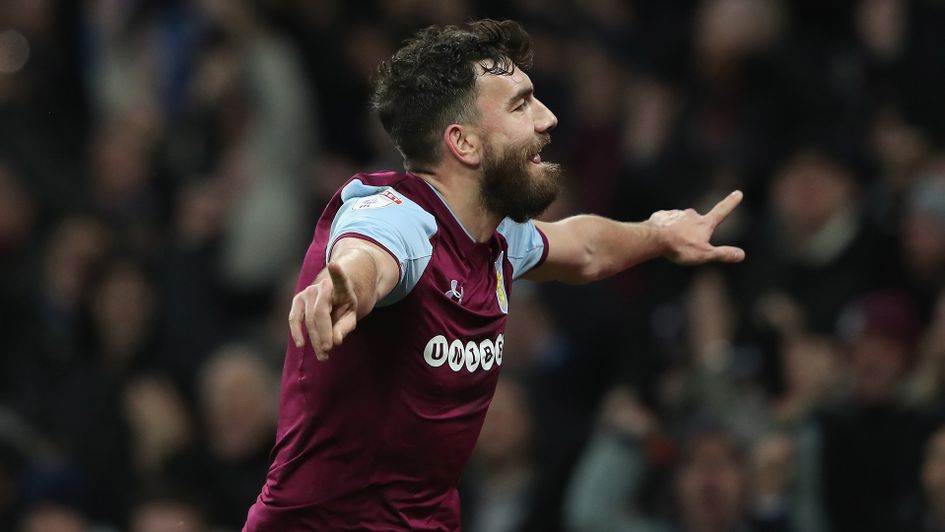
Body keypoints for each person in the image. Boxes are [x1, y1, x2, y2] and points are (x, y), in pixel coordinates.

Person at [244, 19, 745, 531]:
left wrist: (659, 234)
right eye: (521, 105)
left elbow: (586, 247)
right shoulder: (397, 216)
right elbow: (371, 252)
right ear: (464, 143)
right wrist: (346, 284)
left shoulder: (496, 236)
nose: (548, 118)